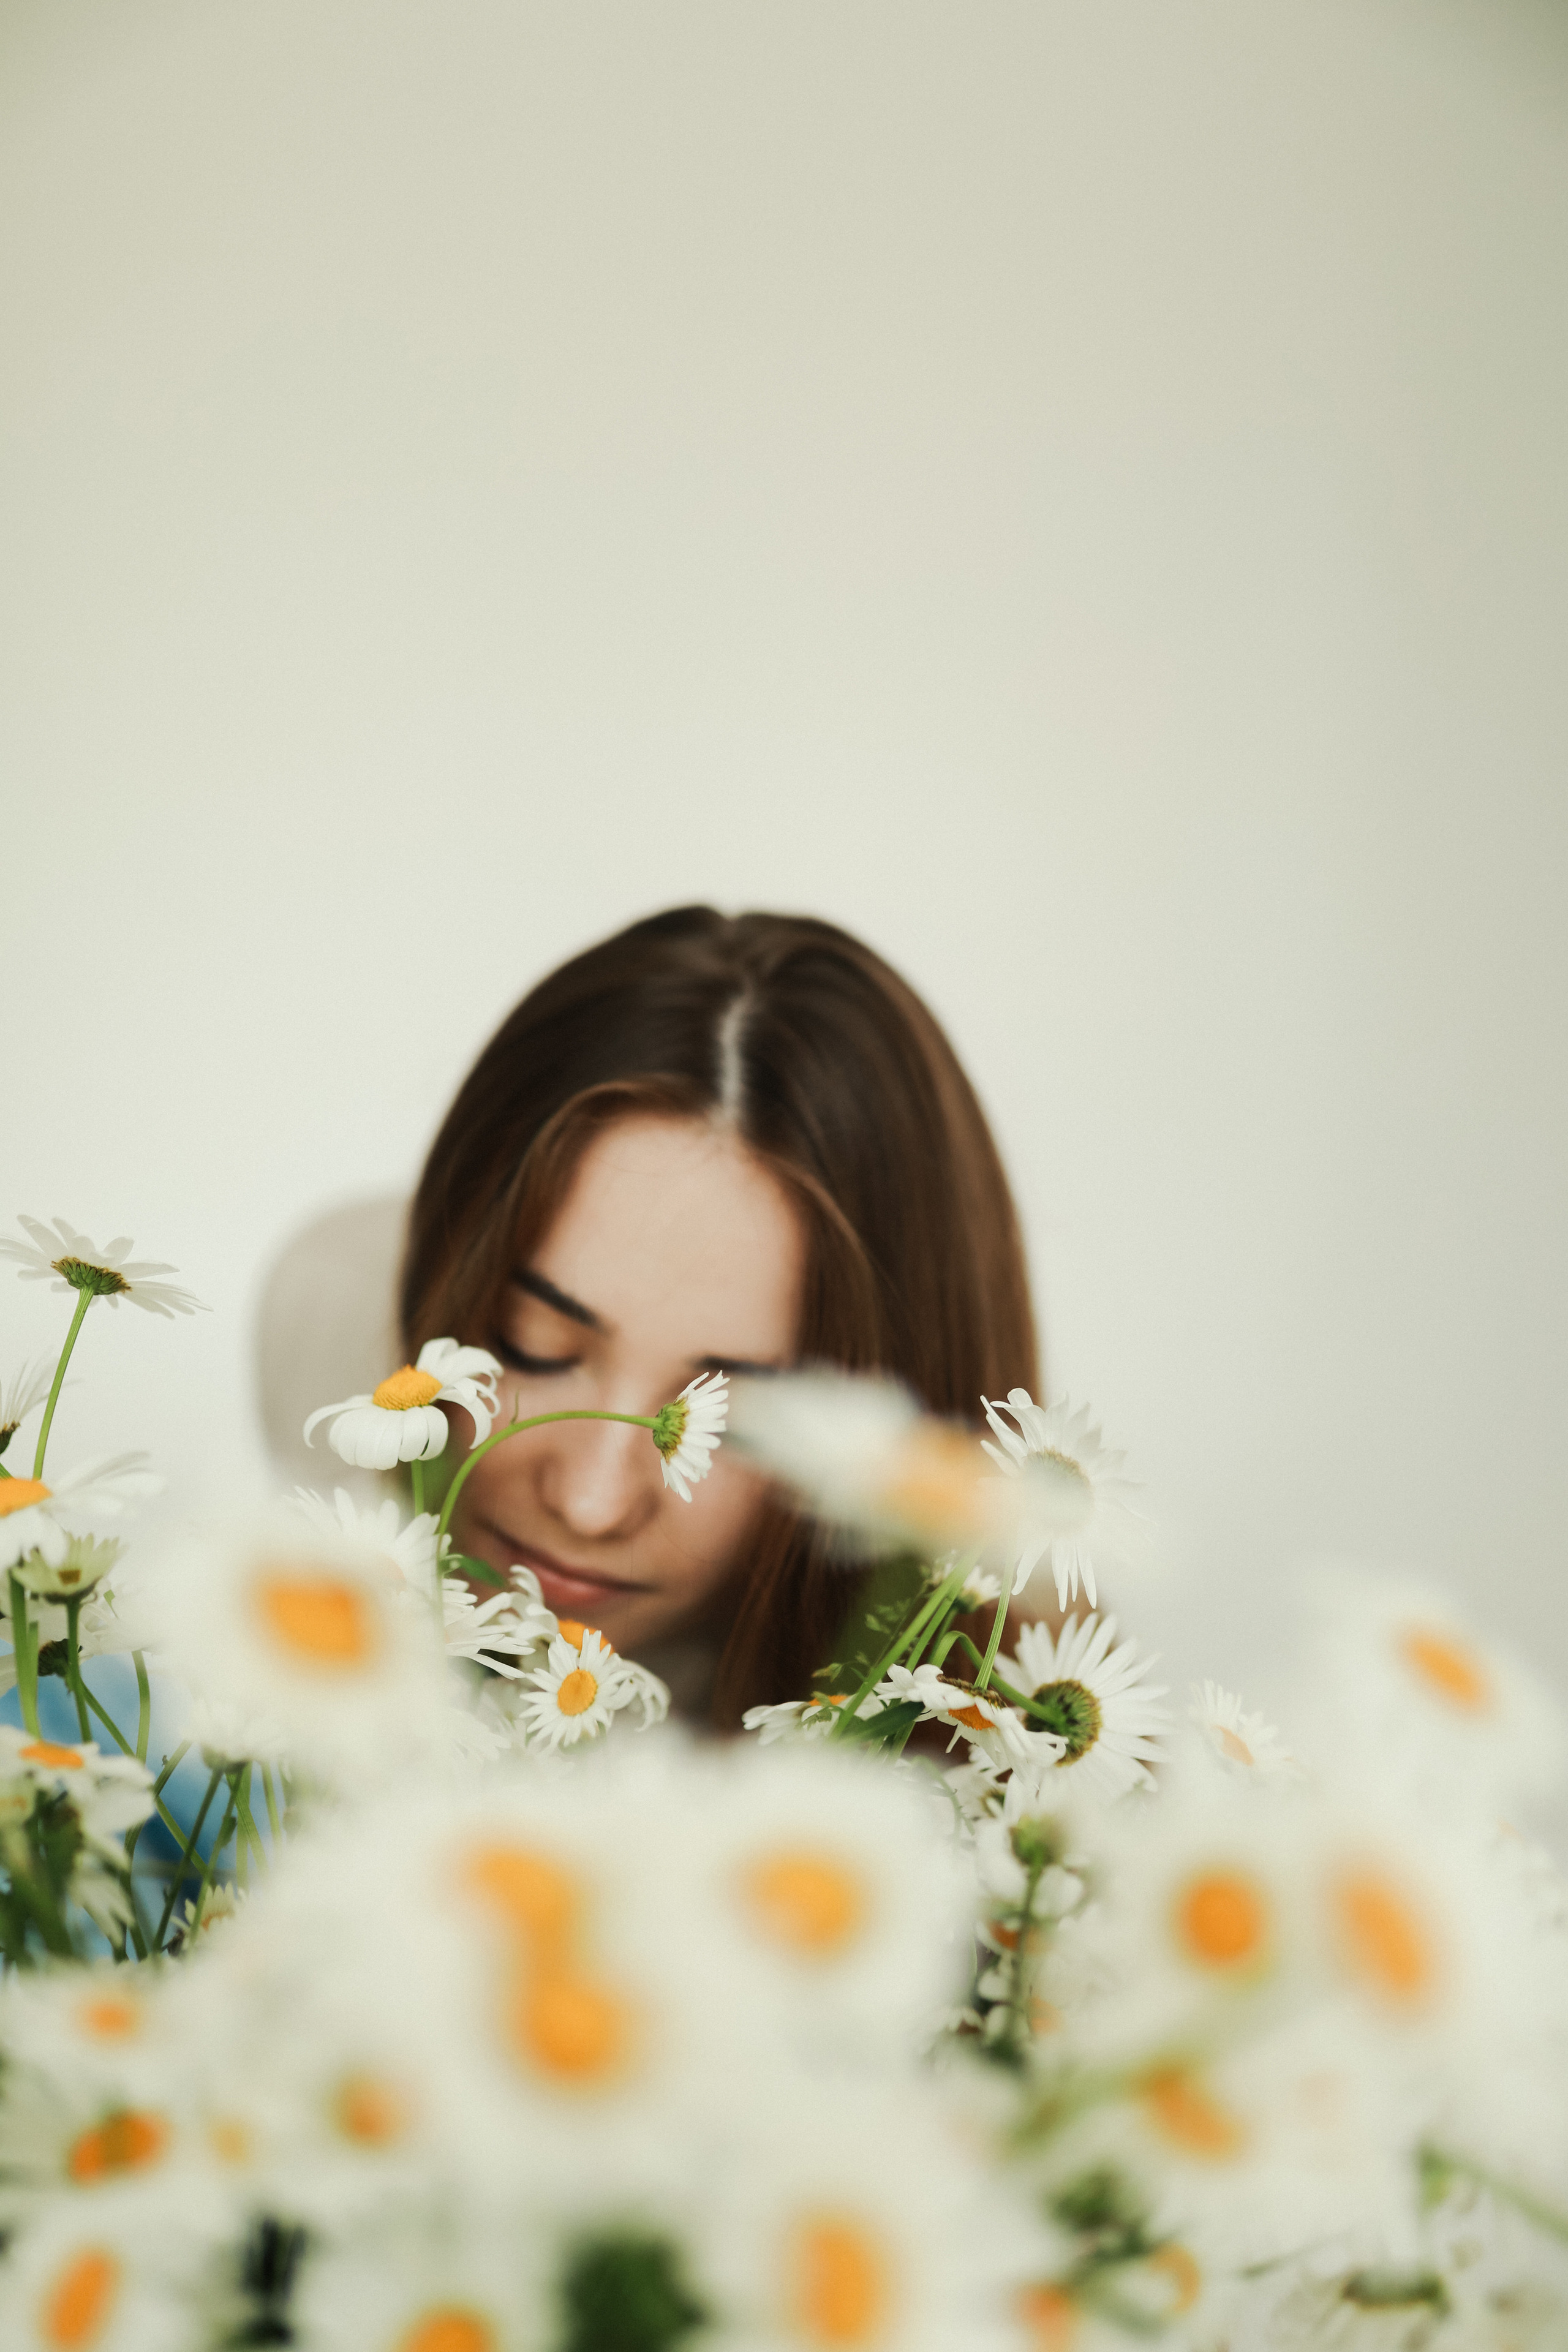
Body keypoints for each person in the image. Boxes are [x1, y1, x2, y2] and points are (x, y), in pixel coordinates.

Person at [394, 905, 1041, 1728]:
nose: (590, 1502)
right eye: (537, 1344)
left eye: (731, 1419)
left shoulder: (990, 1790)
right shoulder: (324, 1327)